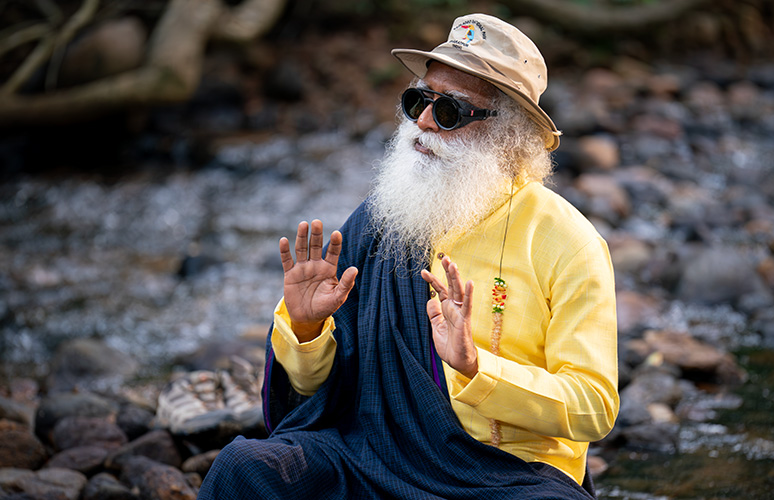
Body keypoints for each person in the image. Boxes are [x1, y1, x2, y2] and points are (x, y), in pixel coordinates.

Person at [198, 13, 618, 500]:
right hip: (369, 452)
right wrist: (307, 329)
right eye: (419, 100)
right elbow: (314, 393)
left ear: (510, 137)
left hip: (500, 475)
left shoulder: (568, 243)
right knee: (245, 470)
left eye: (451, 112)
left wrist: (477, 368)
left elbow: (594, 407)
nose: (422, 122)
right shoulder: (380, 220)